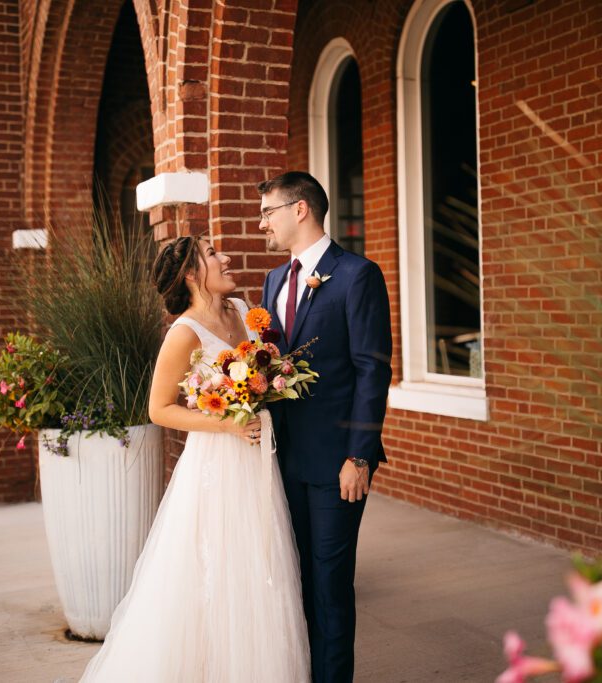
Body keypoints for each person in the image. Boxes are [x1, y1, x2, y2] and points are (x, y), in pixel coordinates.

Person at [79, 235, 309, 682]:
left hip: (258, 459)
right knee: (215, 567)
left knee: (263, 566)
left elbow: (265, 371)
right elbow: (159, 409)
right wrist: (227, 423)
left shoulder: (244, 312)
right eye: (212, 255)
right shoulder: (183, 333)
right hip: (217, 465)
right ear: (191, 275)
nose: (225, 258)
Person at [258, 171, 393, 682]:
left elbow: (371, 370)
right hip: (283, 459)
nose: (262, 223)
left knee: (331, 584)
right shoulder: (274, 280)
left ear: (300, 210)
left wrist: (359, 455)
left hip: (338, 462)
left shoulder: (358, 275)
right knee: (299, 581)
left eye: (268, 211)